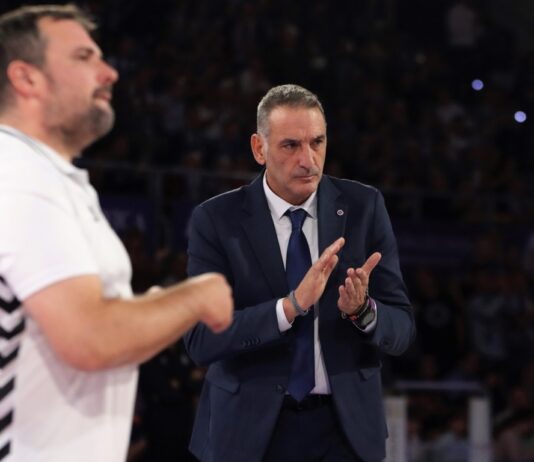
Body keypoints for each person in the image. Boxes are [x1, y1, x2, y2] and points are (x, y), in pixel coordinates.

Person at [0, 5, 233, 462]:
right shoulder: (18, 173)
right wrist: (197, 296)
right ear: (27, 79)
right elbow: (90, 337)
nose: (109, 73)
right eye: (84, 57)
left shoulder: (46, 175)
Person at [184, 84, 416, 462]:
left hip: (345, 434)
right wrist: (289, 308)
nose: (309, 160)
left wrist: (363, 311)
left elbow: (402, 330)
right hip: (249, 433)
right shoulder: (216, 220)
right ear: (259, 149)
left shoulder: (364, 207)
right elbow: (201, 340)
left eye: (317, 142)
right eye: (290, 145)